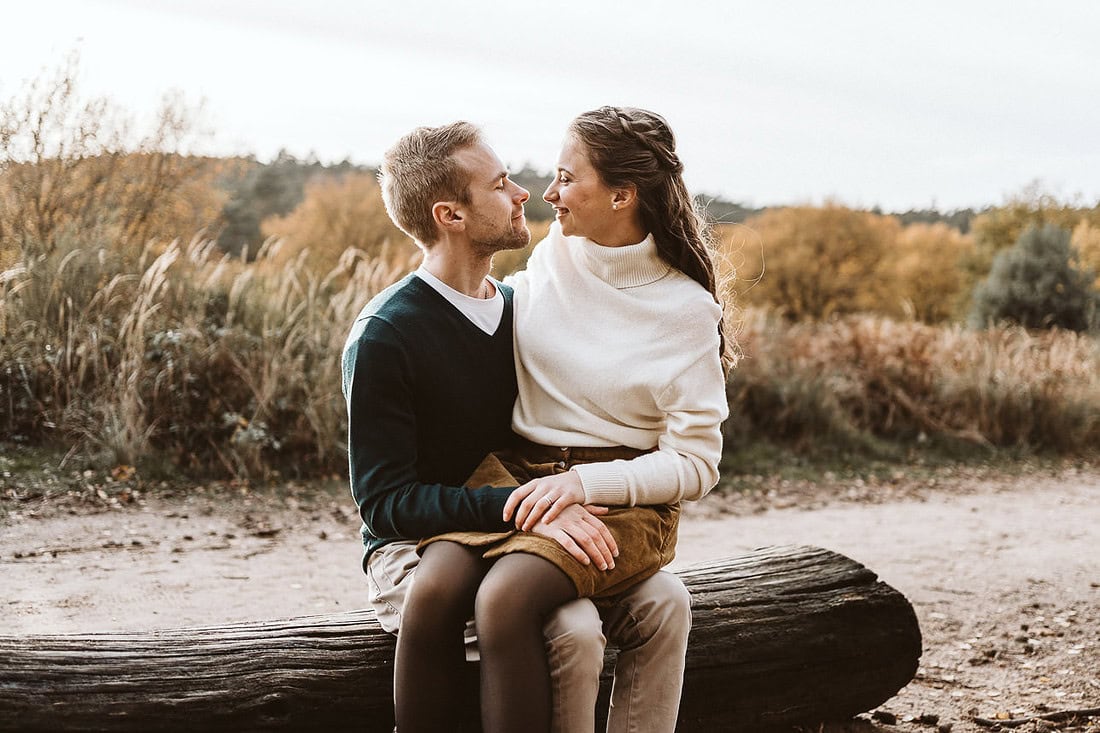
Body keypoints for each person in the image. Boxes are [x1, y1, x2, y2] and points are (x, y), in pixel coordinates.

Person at [342, 119, 705, 733]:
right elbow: (385, 507)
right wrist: (523, 507)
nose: (524, 195)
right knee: (553, 623)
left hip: (522, 514)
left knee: (657, 600)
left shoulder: (521, 309)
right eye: (502, 183)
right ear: (451, 215)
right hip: (424, 538)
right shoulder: (387, 334)